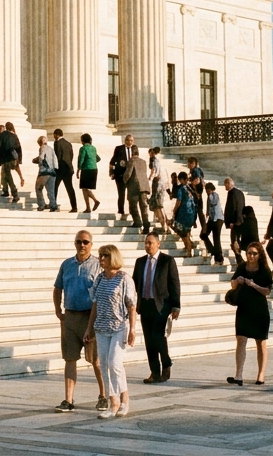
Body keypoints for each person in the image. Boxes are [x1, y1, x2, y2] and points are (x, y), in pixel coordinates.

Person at [54, 231, 107, 413]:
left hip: (89, 317)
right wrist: (58, 311)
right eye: (78, 242)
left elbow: (102, 293)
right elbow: (57, 287)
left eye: (85, 242)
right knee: (70, 358)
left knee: (96, 360)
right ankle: (68, 400)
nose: (82, 245)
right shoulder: (67, 265)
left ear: (91, 244)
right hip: (70, 316)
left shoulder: (98, 265)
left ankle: (103, 395)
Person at [85, 244, 136, 419]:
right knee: (105, 365)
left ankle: (123, 399)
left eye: (105, 256)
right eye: (100, 256)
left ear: (113, 257)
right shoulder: (99, 279)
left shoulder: (124, 278)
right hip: (101, 327)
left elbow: (131, 305)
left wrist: (133, 329)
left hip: (119, 326)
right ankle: (114, 401)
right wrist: (89, 328)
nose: (101, 259)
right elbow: (95, 304)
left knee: (115, 363)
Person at [132, 233, 180, 384]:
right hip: (145, 304)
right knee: (148, 340)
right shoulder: (140, 262)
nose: (148, 245)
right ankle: (154, 372)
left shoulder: (167, 261)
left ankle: (166, 363)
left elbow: (174, 284)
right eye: (146, 243)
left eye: (151, 243)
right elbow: (134, 283)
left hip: (161, 305)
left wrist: (176, 305)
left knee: (157, 336)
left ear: (158, 244)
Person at [226, 241, 273, 386]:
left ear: (259, 255)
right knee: (241, 340)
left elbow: (267, 291)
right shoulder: (242, 267)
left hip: (259, 310)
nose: (251, 256)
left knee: (261, 342)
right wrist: (237, 281)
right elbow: (232, 283)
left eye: (254, 253)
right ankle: (238, 375)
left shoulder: (265, 270)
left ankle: (261, 375)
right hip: (244, 308)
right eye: (249, 253)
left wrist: (253, 285)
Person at [170, 173, 199, 258]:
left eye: (180, 179)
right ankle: (188, 246)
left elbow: (179, 200)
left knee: (182, 231)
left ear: (182, 179)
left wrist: (174, 210)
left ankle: (189, 250)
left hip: (183, 213)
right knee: (187, 232)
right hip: (191, 213)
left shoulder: (181, 189)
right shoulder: (190, 188)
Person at [0, 122, 24, 202]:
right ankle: (5, 190)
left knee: (8, 177)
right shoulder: (14, 135)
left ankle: (15, 195)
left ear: (6, 127)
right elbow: (19, 148)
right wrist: (20, 159)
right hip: (14, 158)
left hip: (6, 159)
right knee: (3, 173)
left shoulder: (1, 135)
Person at [124, 147, 151, 235]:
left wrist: (124, 181)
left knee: (133, 205)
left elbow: (128, 173)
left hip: (134, 186)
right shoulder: (143, 161)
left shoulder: (131, 161)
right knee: (143, 206)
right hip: (143, 185)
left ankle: (138, 221)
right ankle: (146, 224)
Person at [148, 148, 171, 233]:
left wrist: (150, 178)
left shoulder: (155, 160)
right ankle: (164, 225)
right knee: (158, 206)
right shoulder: (160, 162)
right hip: (161, 185)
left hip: (158, 185)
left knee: (158, 206)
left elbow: (154, 171)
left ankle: (164, 226)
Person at [53, 130, 77, 214]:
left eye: (54, 135)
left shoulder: (57, 143)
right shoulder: (68, 143)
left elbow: (57, 156)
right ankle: (74, 207)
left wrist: (55, 167)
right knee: (70, 188)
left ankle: (53, 205)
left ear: (56, 135)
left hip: (60, 169)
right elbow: (71, 155)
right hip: (68, 168)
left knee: (54, 187)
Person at [201, 182, 225, 265]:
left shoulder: (214, 195)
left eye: (208, 189)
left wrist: (210, 193)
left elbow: (213, 202)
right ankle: (213, 251)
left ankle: (219, 258)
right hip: (212, 219)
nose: (206, 191)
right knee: (203, 234)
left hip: (218, 219)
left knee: (216, 239)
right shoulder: (209, 196)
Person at [110, 136, 133, 219]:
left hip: (131, 176)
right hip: (120, 175)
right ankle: (121, 210)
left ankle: (132, 210)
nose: (130, 142)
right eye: (128, 140)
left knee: (131, 195)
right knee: (121, 194)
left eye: (131, 140)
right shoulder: (119, 149)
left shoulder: (134, 149)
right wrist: (111, 172)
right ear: (125, 140)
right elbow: (112, 162)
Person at [76, 134, 100, 213]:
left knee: (84, 188)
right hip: (94, 169)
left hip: (86, 169)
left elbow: (81, 159)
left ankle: (93, 202)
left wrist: (78, 169)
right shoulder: (93, 148)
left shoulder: (83, 148)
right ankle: (88, 207)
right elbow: (97, 158)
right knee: (86, 188)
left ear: (83, 140)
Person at [34, 136, 60, 211]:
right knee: (51, 190)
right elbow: (55, 160)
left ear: (40, 143)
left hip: (44, 172)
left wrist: (36, 160)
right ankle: (53, 205)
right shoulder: (51, 149)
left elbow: (41, 157)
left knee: (38, 188)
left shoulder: (42, 148)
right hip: (52, 172)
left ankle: (41, 205)